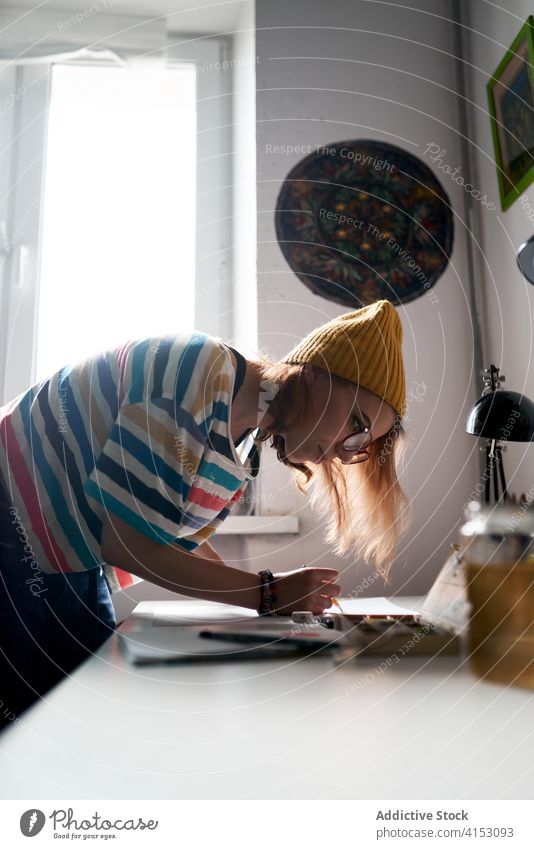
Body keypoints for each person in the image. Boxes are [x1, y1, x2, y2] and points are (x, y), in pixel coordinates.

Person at [0, 299, 411, 725]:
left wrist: (266, 593)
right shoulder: (199, 379)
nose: (348, 452)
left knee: (84, 704)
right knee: (45, 722)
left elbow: (173, 537)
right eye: (357, 425)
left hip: (61, 551)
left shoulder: (244, 437)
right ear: (315, 376)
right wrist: (265, 593)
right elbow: (130, 544)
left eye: (359, 446)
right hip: (13, 520)